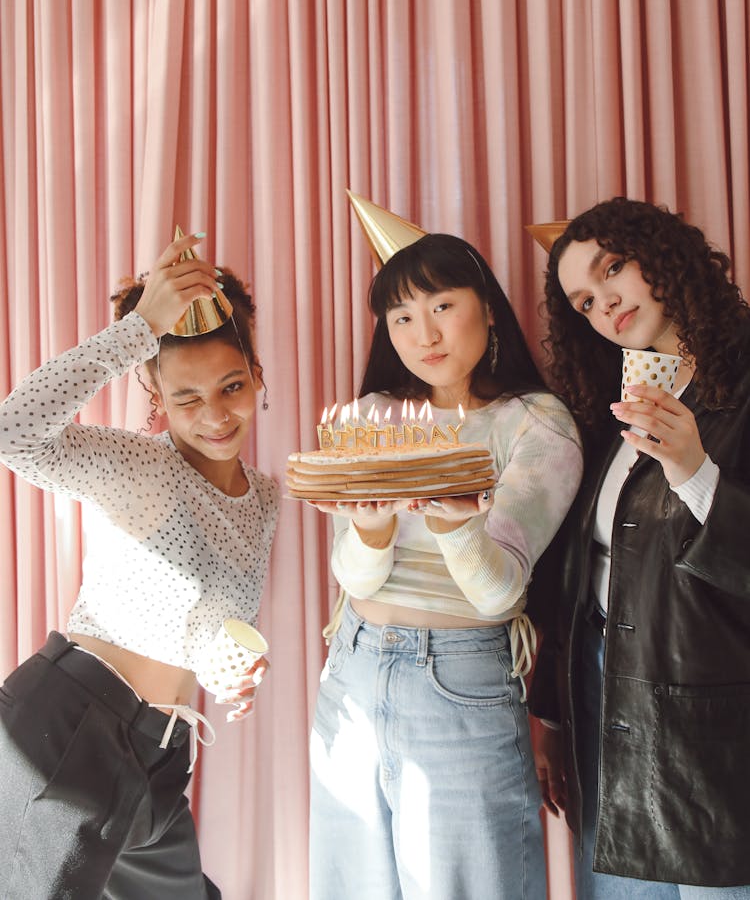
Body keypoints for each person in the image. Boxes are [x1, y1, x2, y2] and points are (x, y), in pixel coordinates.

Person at [0, 232, 279, 899]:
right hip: (71, 733)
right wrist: (138, 330)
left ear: (257, 372)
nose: (215, 415)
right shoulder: (137, 466)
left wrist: (230, 673)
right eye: (187, 397)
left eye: (232, 386)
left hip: (161, 755)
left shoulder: (265, 497)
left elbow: (201, 633)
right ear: (153, 386)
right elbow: (12, 431)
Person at [308, 232, 582, 900]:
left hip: (461, 680)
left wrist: (457, 520)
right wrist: (371, 530)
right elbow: (354, 577)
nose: (422, 333)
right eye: (401, 317)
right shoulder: (373, 418)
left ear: (487, 308)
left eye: (441, 305)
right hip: (352, 671)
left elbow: (497, 592)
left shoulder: (536, 424)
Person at [528, 196, 750, 897]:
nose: (605, 302)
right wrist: (556, 713)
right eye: (585, 299)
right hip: (604, 690)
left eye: (613, 267)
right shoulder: (614, 407)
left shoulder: (742, 380)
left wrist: (693, 469)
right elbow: (585, 566)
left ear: (661, 253)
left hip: (708, 718)